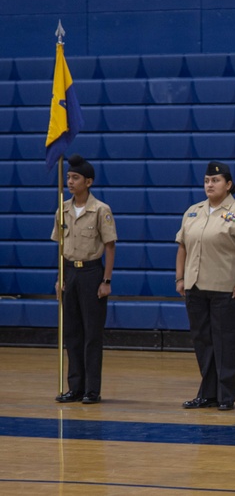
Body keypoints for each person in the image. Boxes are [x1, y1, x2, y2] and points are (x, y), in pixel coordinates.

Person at [175, 162, 235, 411]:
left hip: (227, 288)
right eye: (206, 181)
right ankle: (207, 393)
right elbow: (182, 246)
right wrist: (180, 278)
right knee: (203, 341)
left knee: (225, 343)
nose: (209, 185)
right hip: (196, 286)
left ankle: (225, 395)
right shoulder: (193, 211)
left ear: (229, 184)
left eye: (215, 181)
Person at [52, 154, 117, 405]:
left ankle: (92, 389)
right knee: (72, 333)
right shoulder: (63, 208)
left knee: (92, 334)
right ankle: (75, 386)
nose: (70, 181)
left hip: (92, 273)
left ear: (88, 182)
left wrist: (106, 280)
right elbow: (60, 246)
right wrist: (60, 277)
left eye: (75, 177)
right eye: (68, 177)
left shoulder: (101, 209)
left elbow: (110, 246)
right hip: (70, 272)